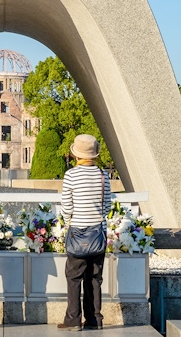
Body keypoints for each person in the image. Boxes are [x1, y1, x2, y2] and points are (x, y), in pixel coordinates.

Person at [58, 134, 112, 331]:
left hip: (77, 232)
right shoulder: (103, 175)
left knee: (74, 277)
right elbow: (107, 206)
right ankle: (94, 319)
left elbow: (66, 207)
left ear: (75, 154)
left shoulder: (71, 175)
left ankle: (73, 319)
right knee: (95, 278)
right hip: (98, 234)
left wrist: (68, 221)